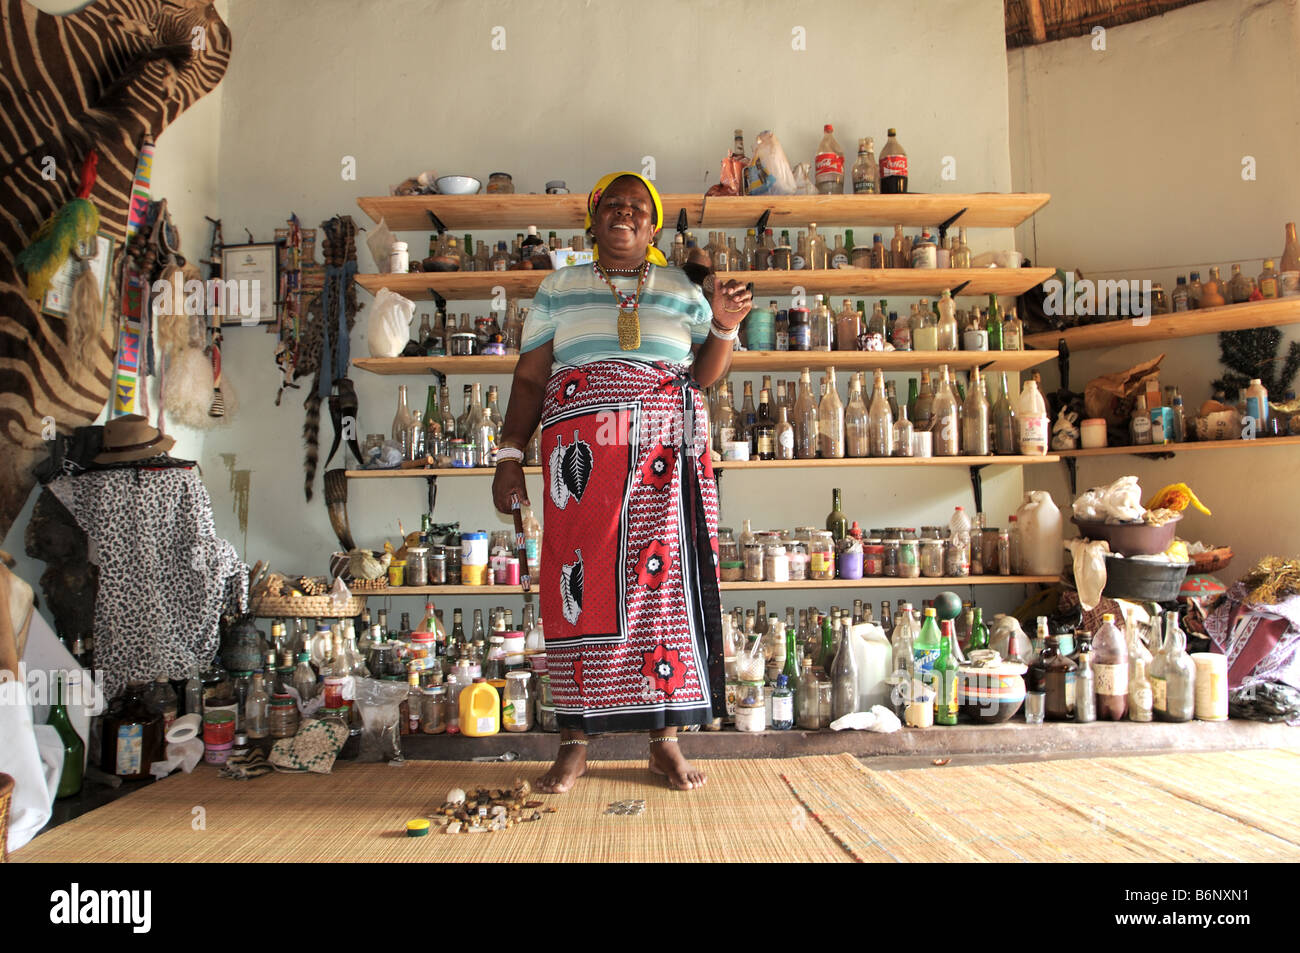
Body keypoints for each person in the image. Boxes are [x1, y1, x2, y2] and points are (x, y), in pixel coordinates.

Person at [492, 171, 751, 791]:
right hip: (581, 463)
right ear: (593, 217)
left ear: (654, 224)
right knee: (577, 588)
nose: (625, 213)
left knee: (664, 596)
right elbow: (530, 380)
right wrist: (507, 455)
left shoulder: (683, 289)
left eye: (638, 206)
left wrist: (721, 324)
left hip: (665, 456)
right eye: (613, 203)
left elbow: (706, 376)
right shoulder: (560, 286)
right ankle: (575, 742)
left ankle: (664, 742)